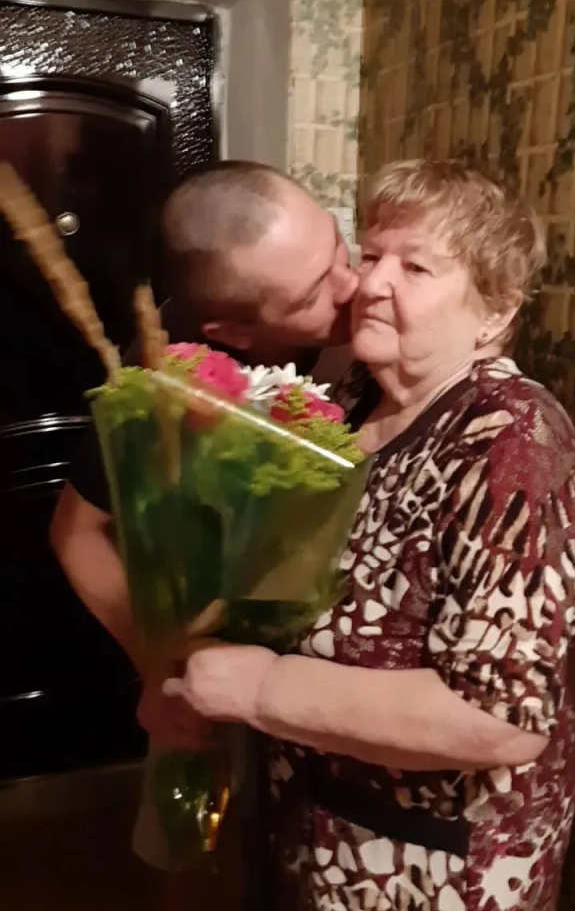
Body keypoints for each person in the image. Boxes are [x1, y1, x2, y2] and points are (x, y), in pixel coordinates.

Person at [165, 159, 575, 910]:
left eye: (416, 267)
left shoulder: (512, 439)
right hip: (316, 828)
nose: (372, 282)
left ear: (494, 311)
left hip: (429, 867)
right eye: (374, 252)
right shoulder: (352, 397)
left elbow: (501, 718)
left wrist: (263, 688)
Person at [50, 160, 357, 906]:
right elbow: (75, 532)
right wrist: (162, 665)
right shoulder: (167, 374)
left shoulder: (369, 318)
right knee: (188, 844)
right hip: (208, 647)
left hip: (329, 684)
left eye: (339, 249)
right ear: (232, 331)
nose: (353, 286)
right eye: (314, 293)